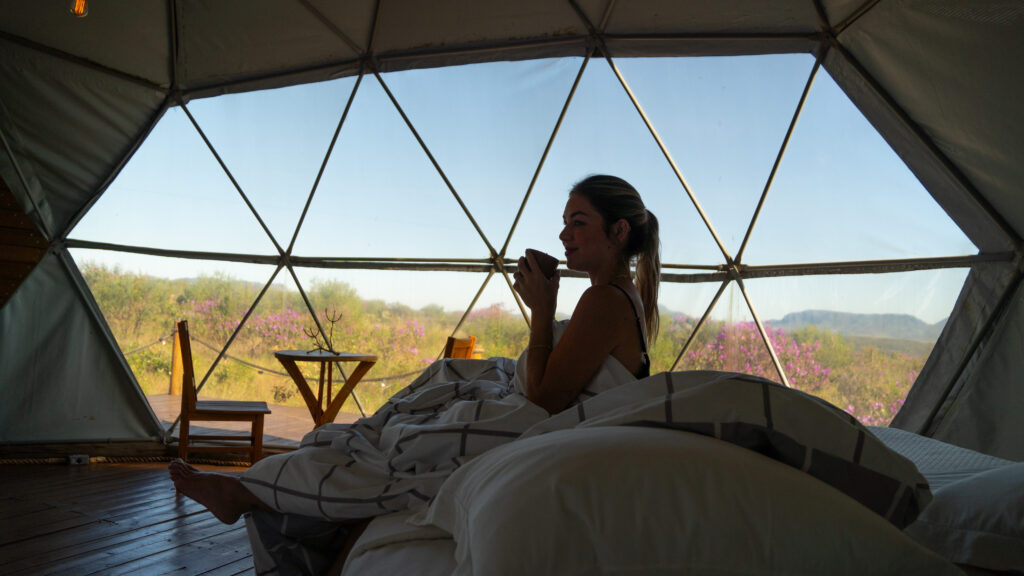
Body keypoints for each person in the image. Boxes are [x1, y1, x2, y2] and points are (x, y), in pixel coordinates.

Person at [170, 174, 660, 574]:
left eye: (578, 223)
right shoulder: (621, 300)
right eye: (564, 223)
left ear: (618, 232)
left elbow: (549, 401)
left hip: (542, 425)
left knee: (401, 446)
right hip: (551, 417)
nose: (563, 236)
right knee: (410, 424)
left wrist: (541, 308)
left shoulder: (603, 300)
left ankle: (248, 492)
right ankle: (263, 496)